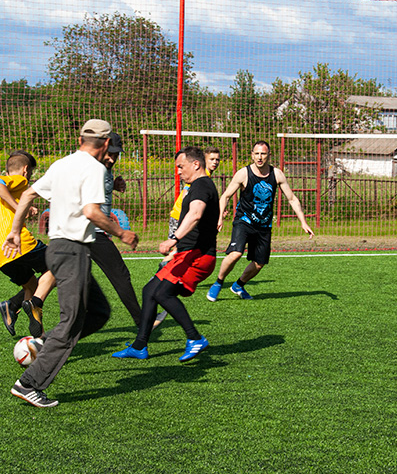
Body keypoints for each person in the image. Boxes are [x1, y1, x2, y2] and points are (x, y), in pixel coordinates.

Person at [4, 119, 139, 408]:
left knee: (99, 312)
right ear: (103, 144)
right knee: (72, 321)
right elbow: (92, 211)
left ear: (81, 139)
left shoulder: (61, 164)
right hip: (72, 251)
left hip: (60, 250)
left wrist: (15, 231)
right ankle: (28, 383)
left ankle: (43, 344)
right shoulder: (94, 168)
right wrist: (122, 232)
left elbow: (28, 194)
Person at [112, 146, 218, 363]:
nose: (178, 171)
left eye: (181, 166)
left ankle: (195, 338)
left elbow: (196, 214)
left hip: (198, 257)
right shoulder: (195, 186)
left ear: (195, 164)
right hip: (186, 254)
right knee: (150, 290)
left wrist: (174, 239)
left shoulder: (202, 185)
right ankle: (140, 345)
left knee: (162, 294)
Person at [207, 140, 314, 301]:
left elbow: (292, 198)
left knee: (259, 263)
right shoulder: (243, 174)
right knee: (235, 253)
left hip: (264, 226)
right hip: (243, 221)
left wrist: (303, 222)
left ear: (269, 155)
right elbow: (226, 196)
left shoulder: (276, 174)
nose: (259, 157)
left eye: (263, 154)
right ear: (252, 155)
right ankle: (218, 283)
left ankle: (238, 285)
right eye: (256, 153)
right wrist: (219, 217)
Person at [0, 150, 55, 338]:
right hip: (19, 245)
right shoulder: (19, 181)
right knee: (60, 265)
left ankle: (33, 331)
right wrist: (20, 206)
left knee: (31, 285)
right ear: (25, 170)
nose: (28, 178)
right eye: (30, 174)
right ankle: (33, 306)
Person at [154, 145, 220, 328]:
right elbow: (194, 208)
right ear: (200, 162)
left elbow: (202, 207)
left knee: (164, 283)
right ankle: (160, 305)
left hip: (192, 233)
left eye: (217, 159)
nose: (215, 162)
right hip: (181, 222)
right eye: (212, 159)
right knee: (164, 275)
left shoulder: (203, 181)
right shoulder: (199, 179)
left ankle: (163, 308)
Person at [89, 132, 142, 326]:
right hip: (93, 231)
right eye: (110, 153)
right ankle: (142, 320)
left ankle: (18, 303)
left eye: (116, 154)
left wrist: (113, 186)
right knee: (120, 275)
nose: (112, 158)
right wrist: (119, 232)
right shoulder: (94, 169)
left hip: (86, 232)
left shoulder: (105, 169)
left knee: (57, 274)